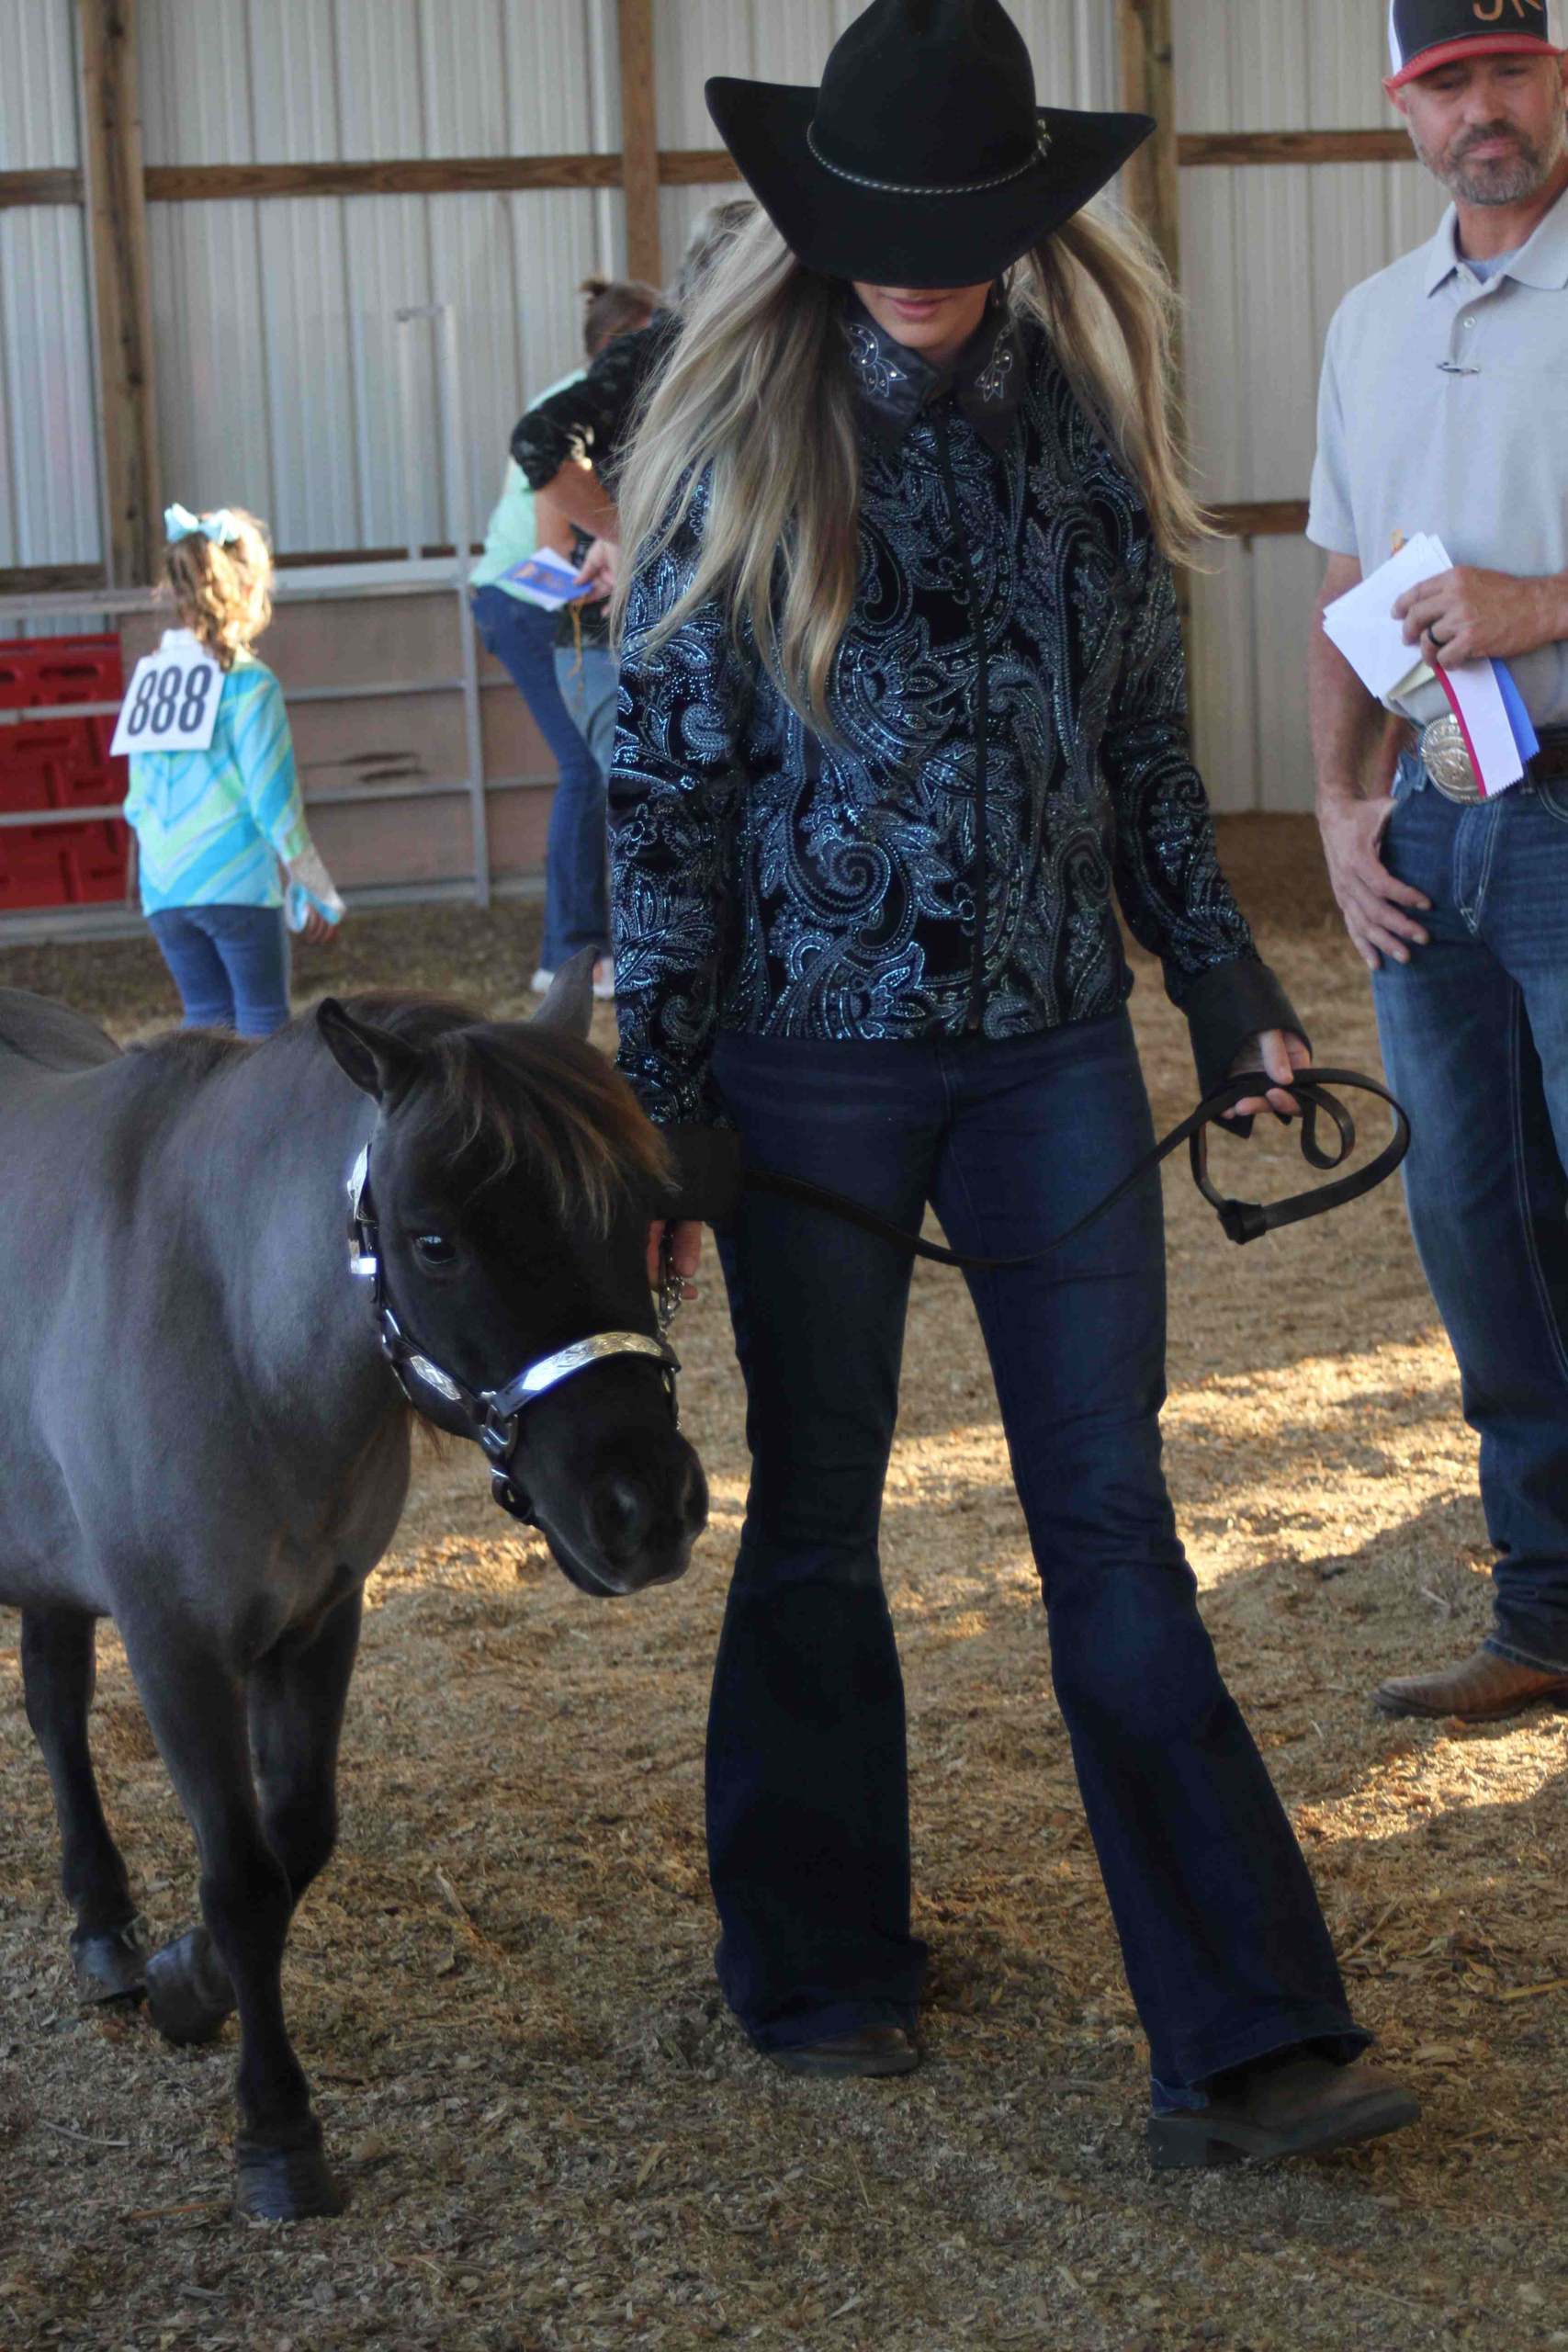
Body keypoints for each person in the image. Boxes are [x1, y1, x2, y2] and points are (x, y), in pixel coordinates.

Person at [608, 0, 1419, 2167]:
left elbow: (1145, 763)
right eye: (878, 218)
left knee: (1108, 1519)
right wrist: (662, 1106)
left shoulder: (1077, 424)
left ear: (1023, 218)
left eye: (958, 220)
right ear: (816, 213)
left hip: (1054, 1053)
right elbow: (665, 801)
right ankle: (813, 1957)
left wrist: (1230, 996)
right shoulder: (725, 433)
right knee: (810, 1517)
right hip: (806, 1071)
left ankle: (1242, 2031)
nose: (914, 256)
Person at [1309, 1, 1568, 1723]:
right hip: (1432, 834)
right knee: (1477, 1232)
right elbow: (1333, 558)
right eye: (1446, 82)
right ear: (1404, 109)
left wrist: (1536, 605)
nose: (1483, 108)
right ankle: (1545, 1617)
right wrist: (1336, 805)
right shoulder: (1369, 322)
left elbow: (1495, 601)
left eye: (1510, 71)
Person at [510, 207, 756, 999]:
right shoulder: (599, 409)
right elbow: (541, 560)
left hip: (643, 621)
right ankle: (580, 949)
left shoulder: (710, 391)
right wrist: (620, 542)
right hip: (590, 634)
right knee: (610, 790)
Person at [474, 277, 659, 1000]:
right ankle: (572, 952)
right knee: (588, 768)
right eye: (649, 339)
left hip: (555, 598)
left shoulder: (615, 409)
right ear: (619, 348)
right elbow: (548, 560)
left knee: (604, 764)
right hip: (524, 601)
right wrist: (611, 570)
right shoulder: (572, 416)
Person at [124, 504, 342, 1038]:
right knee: (263, 1026)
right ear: (249, 589)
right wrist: (316, 887)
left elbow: (135, 799)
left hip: (166, 889)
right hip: (235, 883)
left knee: (203, 1029)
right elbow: (274, 802)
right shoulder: (250, 683)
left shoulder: (149, 678)